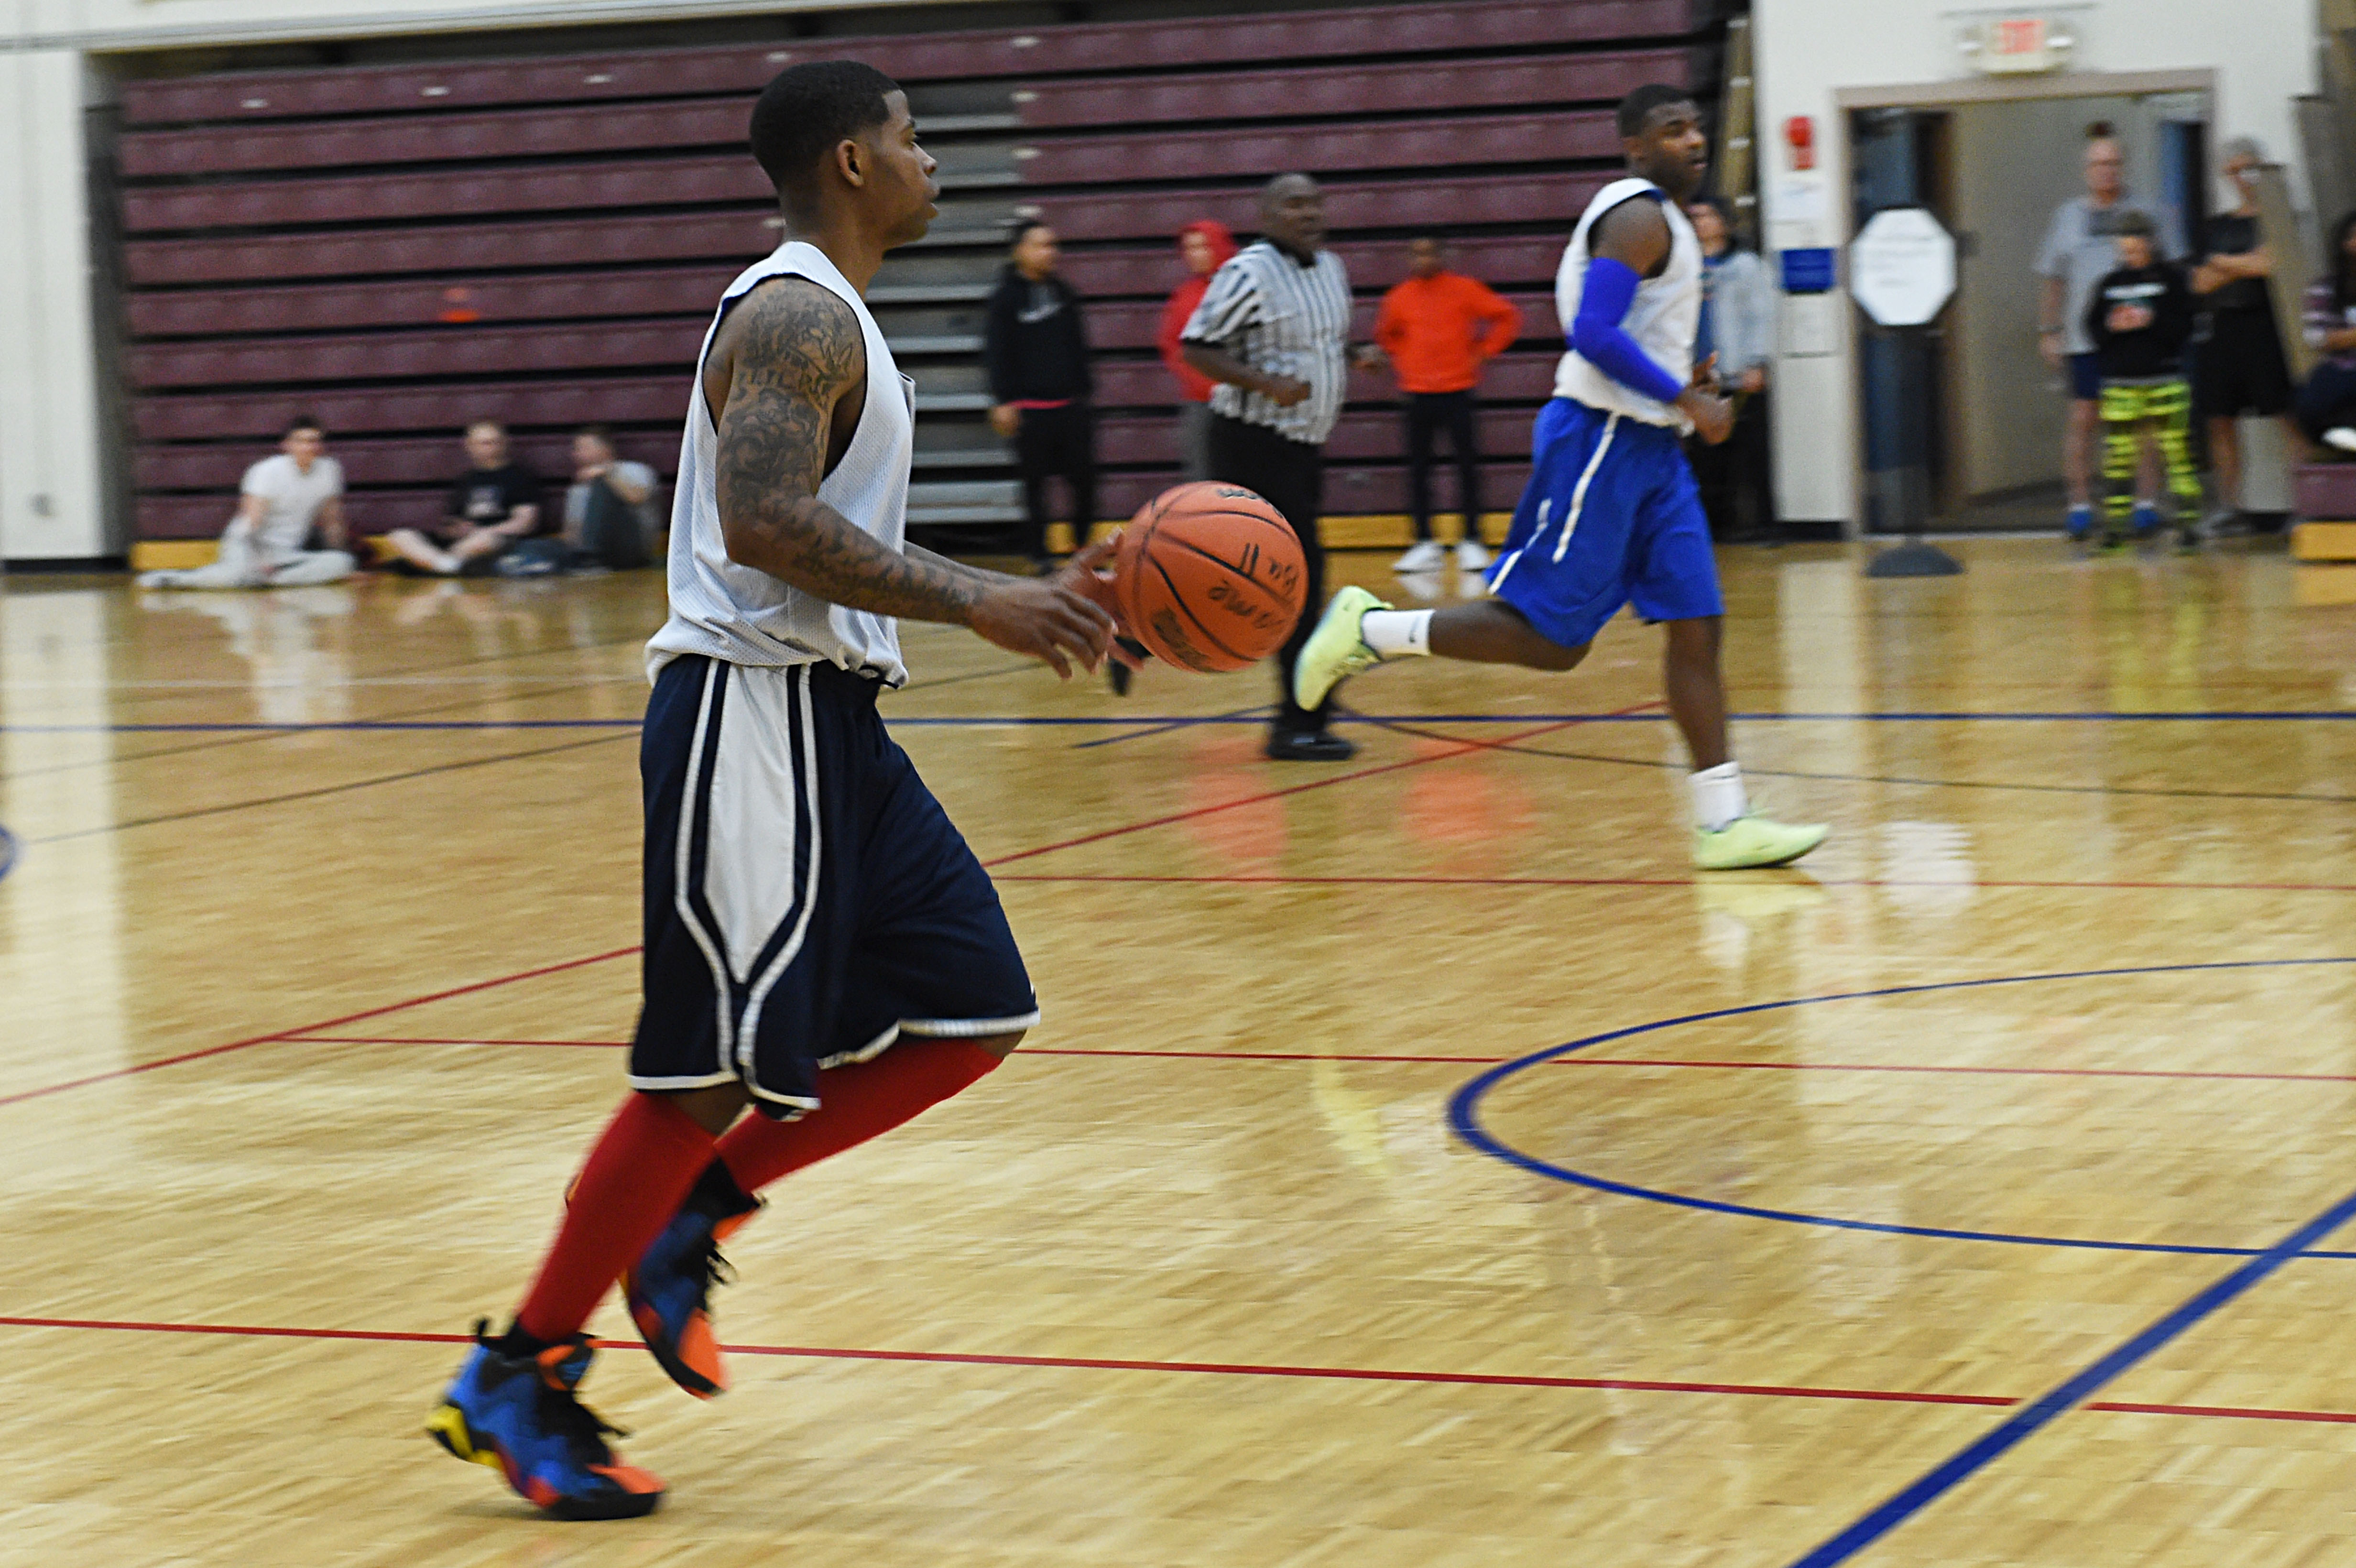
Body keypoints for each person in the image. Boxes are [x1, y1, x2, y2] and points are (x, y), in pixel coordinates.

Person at [427, 60, 1118, 1521]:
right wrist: (983, 600)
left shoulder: (837, 315)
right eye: (914, 137)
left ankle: (695, 1210)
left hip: (837, 722)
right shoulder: (797, 307)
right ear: (854, 160)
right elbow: (760, 520)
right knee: (701, 1070)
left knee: (974, 1008)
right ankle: (521, 1365)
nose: (932, 159)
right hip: (752, 710)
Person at [1287, 85, 1827, 871]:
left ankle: (1722, 822)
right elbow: (1592, 332)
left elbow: (1629, 331)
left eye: (1697, 128)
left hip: (1652, 452)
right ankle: (1365, 630)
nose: (1693, 140)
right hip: (1602, 441)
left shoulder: (1667, 223)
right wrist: (1683, 396)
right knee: (1548, 641)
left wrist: (1684, 376)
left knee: (1696, 623)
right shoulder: (1639, 214)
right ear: (1634, 147)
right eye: (1671, 130)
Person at [1181, 173, 1385, 763]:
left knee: (1246, 583)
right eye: (1294, 204)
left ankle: (1135, 635)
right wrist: (1266, 384)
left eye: (1315, 202)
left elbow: (1317, 342)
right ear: (1267, 216)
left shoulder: (1331, 268)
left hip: (1302, 447)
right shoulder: (1246, 273)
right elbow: (1197, 347)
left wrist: (1355, 355)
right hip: (1250, 443)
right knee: (1298, 586)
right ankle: (1296, 725)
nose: (1309, 213)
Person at [2036, 124, 2177, 541]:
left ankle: (2145, 505)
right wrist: (2049, 330)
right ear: (2086, 169)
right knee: (2084, 419)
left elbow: (2171, 271)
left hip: (2139, 342)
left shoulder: (2147, 213)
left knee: (2144, 423)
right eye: (2098, 164)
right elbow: (2053, 279)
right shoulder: (2067, 218)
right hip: (2086, 341)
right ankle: (2079, 506)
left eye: (2113, 163)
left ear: (2123, 166)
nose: (2106, 171)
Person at [1375, 236, 1521, 576]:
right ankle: (1424, 543)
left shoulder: (1465, 289)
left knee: (1467, 469)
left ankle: (1472, 540)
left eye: (1429, 251)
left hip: (1459, 391)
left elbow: (1506, 316)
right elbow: (1387, 336)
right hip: (1416, 394)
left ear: (1441, 255)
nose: (1422, 258)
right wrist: (1408, 362)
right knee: (1418, 471)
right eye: (1416, 252)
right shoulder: (1398, 297)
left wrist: (1484, 351)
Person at [2191, 138, 2300, 532]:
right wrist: (2243, 265)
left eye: (2249, 168)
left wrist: (2225, 263)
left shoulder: (2278, 217)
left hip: (2266, 328)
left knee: (2285, 416)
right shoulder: (2216, 226)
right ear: (2226, 175)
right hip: (2222, 332)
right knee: (2220, 420)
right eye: (2235, 170)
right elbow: (2200, 282)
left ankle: (2304, 508)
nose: (2243, 177)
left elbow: (2271, 264)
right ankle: (2230, 508)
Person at [2082, 210, 2201, 550]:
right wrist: (2112, 327)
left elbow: (2185, 328)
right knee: (2118, 457)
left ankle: (2189, 525)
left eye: (2136, 247)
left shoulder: (2173, 280)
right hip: (2120, 382)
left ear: (2150, 243)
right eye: (2125, 248)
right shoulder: (2109, 284)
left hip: (2165, 378)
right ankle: (2116, 527)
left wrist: (2152, 320)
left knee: (2177, 453)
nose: (2131, 254)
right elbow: (2092, 329)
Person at [984, 221, 1096, 566]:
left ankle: (1083, 551)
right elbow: (996, 351)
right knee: (1036, 489)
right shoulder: (1005, 299)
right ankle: (1040, 556)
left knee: (1085, 483)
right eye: (1039, 245)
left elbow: (1078, 347)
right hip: (1030, 411)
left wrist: (1084, 394)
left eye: (1051, 245)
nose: (1049, 252)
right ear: (1020, 250)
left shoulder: (1064, 293)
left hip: (1071, 409)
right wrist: (1003, 401)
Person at [137, 415, 357, 589]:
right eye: (301, 441)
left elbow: (333, 523)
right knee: (237, 576)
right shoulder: (266, 472)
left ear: (320, 446)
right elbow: (251, 524)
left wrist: (344, 556)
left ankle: (267, 581)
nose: (308, 447)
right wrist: (260, 561)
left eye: (314, 441)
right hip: (245, 546)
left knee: (341, 563)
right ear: (287, 445)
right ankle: (174, 579)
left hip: (285, 555)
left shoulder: (329, 471)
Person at [1683, 198, 1776, 541]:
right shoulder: (1686, 268)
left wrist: (1758, 362)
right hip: (1702, 377)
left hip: (1740, 374)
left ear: (1725, 222)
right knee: (1707, 456)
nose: (1701, 223)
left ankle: (1763, 525)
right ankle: (1716, 527)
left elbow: (1763, 316)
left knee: (1751, 453)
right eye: (1695, 217)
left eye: (1707, 215)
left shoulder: (1746, 266)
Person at [385, 420, 545, 575]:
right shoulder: (467, 479)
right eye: (482, 443)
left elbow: (525, 523)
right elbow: (451, 522)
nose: (488, 448)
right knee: (401, 535)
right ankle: (446, 565)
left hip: (493, 540)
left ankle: (438, 565)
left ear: (504, 443)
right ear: (469, 446)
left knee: (485, 540)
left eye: (493, 442)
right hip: (461, 543)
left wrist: (483, 531)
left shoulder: (520, 477)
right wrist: (455, 529)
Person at [1157, 220, 1238, 482]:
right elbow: (1172, 348)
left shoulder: (1244, 289)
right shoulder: (1184, 297)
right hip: (1201, 403)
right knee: (1202, 479)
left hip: (1246, 403)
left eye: (1203, 246)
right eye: (1189, 248)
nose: (1195, 254)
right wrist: (1205, 384)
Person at [564, 425, 659, 569]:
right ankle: (588, 558)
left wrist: (607, 474)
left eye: (585, 447)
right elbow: (572, 530)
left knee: (602, 488)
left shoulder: (634, 469)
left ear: (606, 449)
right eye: (577, 449)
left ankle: (592, 556)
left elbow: (637, 497)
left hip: (633, 547)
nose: (578, 453)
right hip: (590, 552)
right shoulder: (578, 487)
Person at [2300, 211, 2356, 453]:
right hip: (2343, 376)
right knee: (2311, 398)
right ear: (2345, 243)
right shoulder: (2326, 288)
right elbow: (2318, 338)